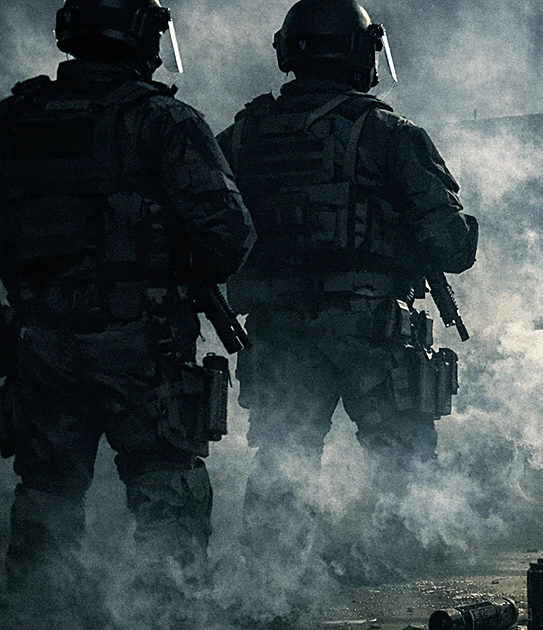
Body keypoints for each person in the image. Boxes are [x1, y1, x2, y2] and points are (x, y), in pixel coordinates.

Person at [0, 0, 255, 617]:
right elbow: (227, 236)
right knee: (164, 486)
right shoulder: (161, 121)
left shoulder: (8, 120)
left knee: (46, 491)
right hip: (139, 340)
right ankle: (162, 613)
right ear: (143, 38)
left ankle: (40, 615)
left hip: (37, 338)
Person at [218, 0, 477, 582]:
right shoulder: (387, 133)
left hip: (275, 323)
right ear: (363, 53)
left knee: (284, 458)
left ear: (289, 52)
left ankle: (267, 583)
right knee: (401, 450)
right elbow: (451, 244)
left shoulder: (241, 134)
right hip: (364, 321)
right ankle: (398, 578)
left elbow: (209, 228)